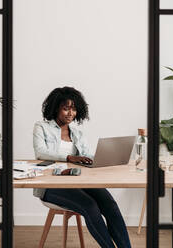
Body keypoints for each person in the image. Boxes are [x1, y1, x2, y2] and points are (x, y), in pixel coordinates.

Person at [33, 86, 132, 248]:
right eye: (66, 109)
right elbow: (40, 153)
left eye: (74, 109)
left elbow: (86, 155)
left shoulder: (77, 133)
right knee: (90, 206)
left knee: (110, 205)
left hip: (78, 181)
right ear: (55, 108)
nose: (70, 113)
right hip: (51, 185)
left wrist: (102, 157)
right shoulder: (41, 127)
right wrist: (69, 157)